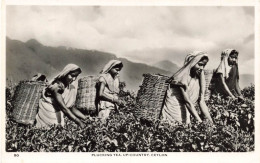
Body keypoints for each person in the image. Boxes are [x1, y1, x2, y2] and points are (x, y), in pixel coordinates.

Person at [161, 51, 213, 124]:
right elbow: (187, 102)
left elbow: (201, 101)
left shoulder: (200, 74)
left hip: (187, 108)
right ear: (192, 63)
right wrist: (200, 122)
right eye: (200, 64)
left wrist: (211, 122)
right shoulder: (182, 77)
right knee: (175, 128)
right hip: (175, 108)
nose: (202, 68)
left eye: (204, 65)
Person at [35, 64, 86, 128]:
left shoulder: (69, 86)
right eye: (72, 76)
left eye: (76, 76)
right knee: (48, 131)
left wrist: (85, 118)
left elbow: (70, 107)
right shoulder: (56, 86)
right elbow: (64, 108)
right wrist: (79, 122)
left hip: (58, 113)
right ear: (66, 73)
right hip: (48, 112)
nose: (74, 79)